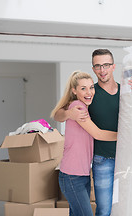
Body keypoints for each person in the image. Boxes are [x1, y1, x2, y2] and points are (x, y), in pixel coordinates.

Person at [63, 49, 132, 216]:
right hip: (102, 160)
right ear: (93, 69)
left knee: (129, 206)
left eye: (106, 65)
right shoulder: (90, 93)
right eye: (97, 66)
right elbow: (60, 111)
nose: (102, 70)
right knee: (105, 210)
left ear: (113, 67)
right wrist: (68, 113)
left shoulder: (128, 91)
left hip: (127, 159)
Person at [51, 71, 118, 216]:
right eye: (83, 88)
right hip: (72, 176)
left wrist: (67, 114)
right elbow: (98, 134)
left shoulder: (81, 106)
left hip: (81, 175)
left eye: (91, 87)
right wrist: (125, 136)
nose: (89, 92)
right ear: (74, 91)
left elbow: (58, 114)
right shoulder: (78, 107)